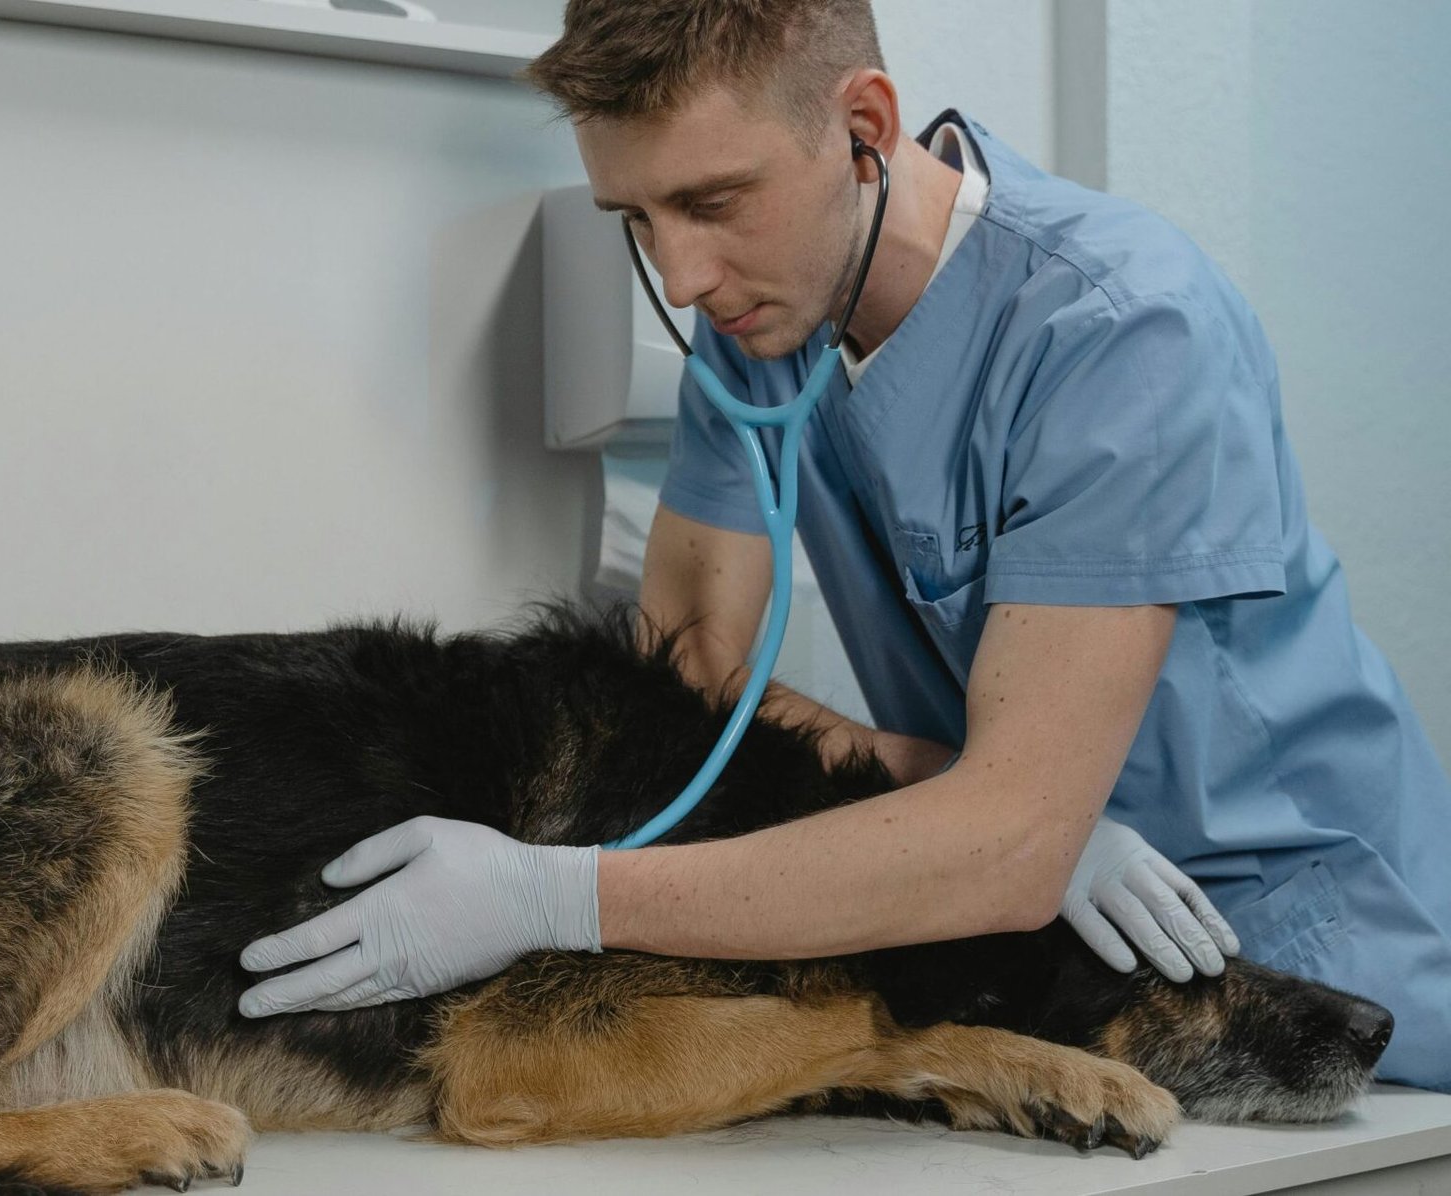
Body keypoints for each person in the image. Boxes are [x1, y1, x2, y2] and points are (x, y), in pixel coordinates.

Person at [238, 0, 1451, 1092]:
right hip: (1041, 950)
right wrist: (948, 790)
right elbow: (692, 666)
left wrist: (553, 894)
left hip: (1309, 969)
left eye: (713, 201)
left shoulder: (1120, 332)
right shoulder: (763, 327)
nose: (683, 273)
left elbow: (1011, 849)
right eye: (638, 217)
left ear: (864, 123)